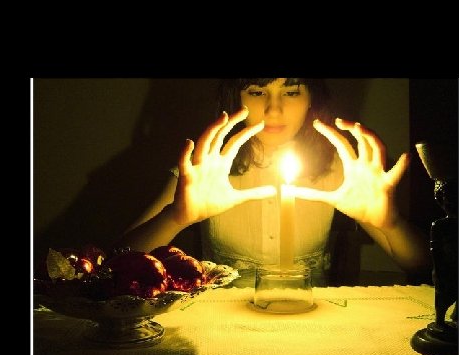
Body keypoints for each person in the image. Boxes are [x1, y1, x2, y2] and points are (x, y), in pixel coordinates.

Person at [115, 78, 430, 287]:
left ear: (311, 98)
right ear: (236, 97)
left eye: (291, 92)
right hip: (221, 329)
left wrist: (390, 224)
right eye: (257, 91)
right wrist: (176, 217)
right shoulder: (204, 170)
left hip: (310, 328)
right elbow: (116, 262)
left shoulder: (342, 169)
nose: (274, 109)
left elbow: (422, 266)